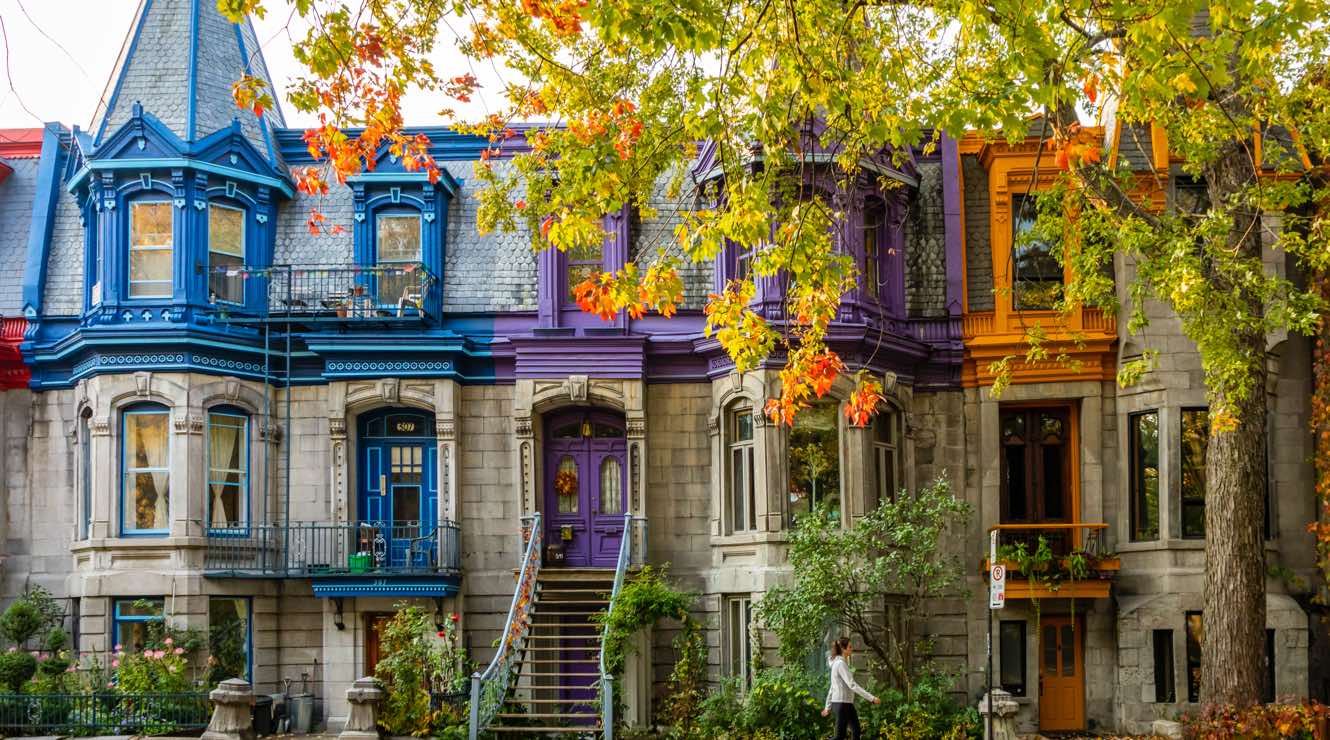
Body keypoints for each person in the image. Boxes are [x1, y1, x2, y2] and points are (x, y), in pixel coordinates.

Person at [821, 636, 880, 740]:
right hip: (842, 704)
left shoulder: (839, 664)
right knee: (840, 737)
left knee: (856, 730)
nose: (852, 649)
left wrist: (827, 707)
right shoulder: (840, 664)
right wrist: (872, 698)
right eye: (850, 647)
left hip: (846, 703)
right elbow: (852, 685)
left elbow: (832, 687)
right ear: (843, 649)